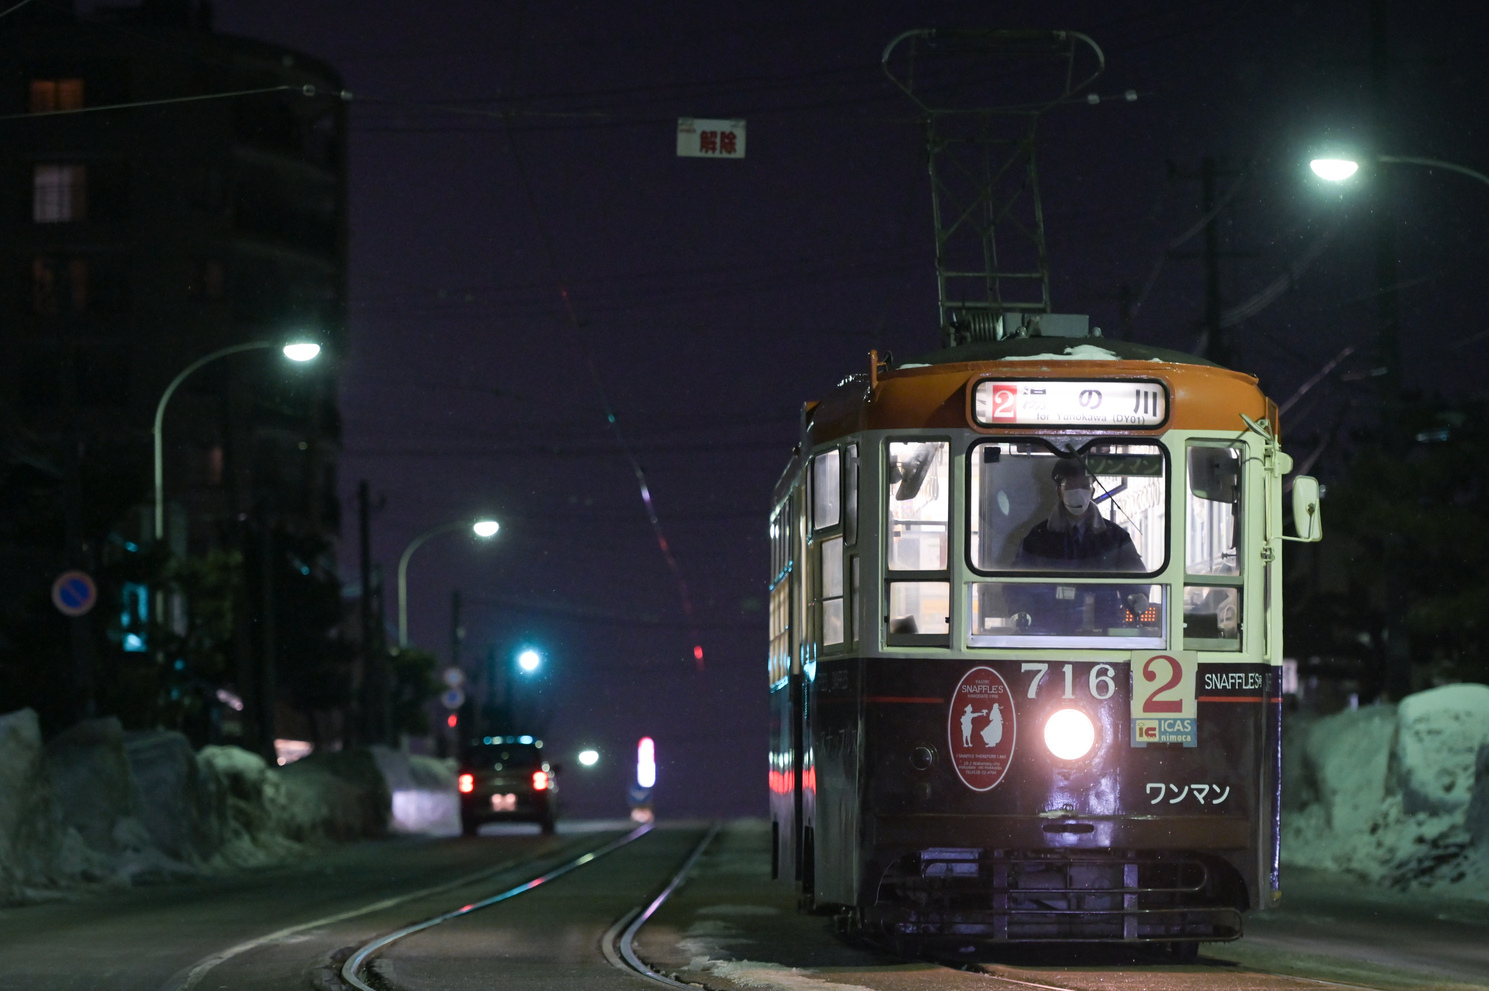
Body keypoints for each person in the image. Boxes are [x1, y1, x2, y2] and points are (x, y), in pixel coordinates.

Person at [1009, 459, 1150, 630]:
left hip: (1104, 630)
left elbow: (1135, 576)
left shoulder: (1115, 537)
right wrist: (1020, 610)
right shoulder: (1038, 537)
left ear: (1092, 491)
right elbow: (1018, 580)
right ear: (1059, 492)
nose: (1079, 491)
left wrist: (1138, 596)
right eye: (1071, 486)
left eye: (1084, 485)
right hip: (1051, 629)